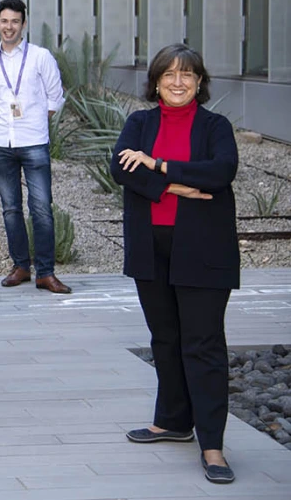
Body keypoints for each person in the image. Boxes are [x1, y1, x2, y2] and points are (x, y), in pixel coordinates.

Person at [111, 44, 239, 485]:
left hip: (202, 249)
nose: (178, 82)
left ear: (200, 82)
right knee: (164, 337)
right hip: (151, 248)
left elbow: (220, 172)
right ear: (157, 81)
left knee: (202, 345)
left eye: (187, 75)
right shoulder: (140, 122)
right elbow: (122, 169)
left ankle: (213, 446)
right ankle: (172, 420)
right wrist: (177, 187)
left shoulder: (215, 127)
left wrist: (160, 165)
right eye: (169, 75)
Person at [0, 0, 71, 293]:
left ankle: (45, 272)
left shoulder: (40, 57)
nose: (9, 27)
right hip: (1, 143)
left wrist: (32, 122)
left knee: (41, 208)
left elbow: (56, 97)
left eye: (15, 22)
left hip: (33, 142)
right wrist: (6, 121)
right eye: (4, 21)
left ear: (23, 24)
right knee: (10, 208)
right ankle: (21, 266)